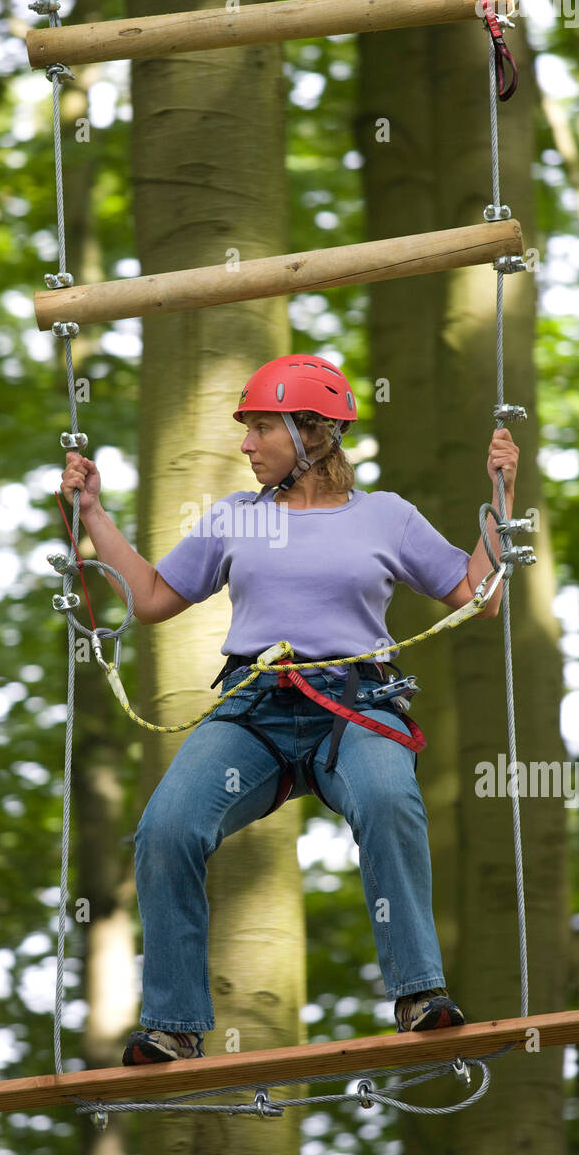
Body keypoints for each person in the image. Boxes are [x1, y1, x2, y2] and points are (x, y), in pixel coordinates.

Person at [60, 354, 519, 1066]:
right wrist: (93, 515)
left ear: (313, 433)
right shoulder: (234, 518)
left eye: (261, 428)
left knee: (387, 799)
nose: (245, 445)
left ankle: (419, 992)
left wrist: (502, 497)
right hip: (254, 712)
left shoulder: (385, 517)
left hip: (357, 705)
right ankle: (174, 1024)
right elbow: (151, 599)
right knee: (166, 829)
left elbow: (480, 599)